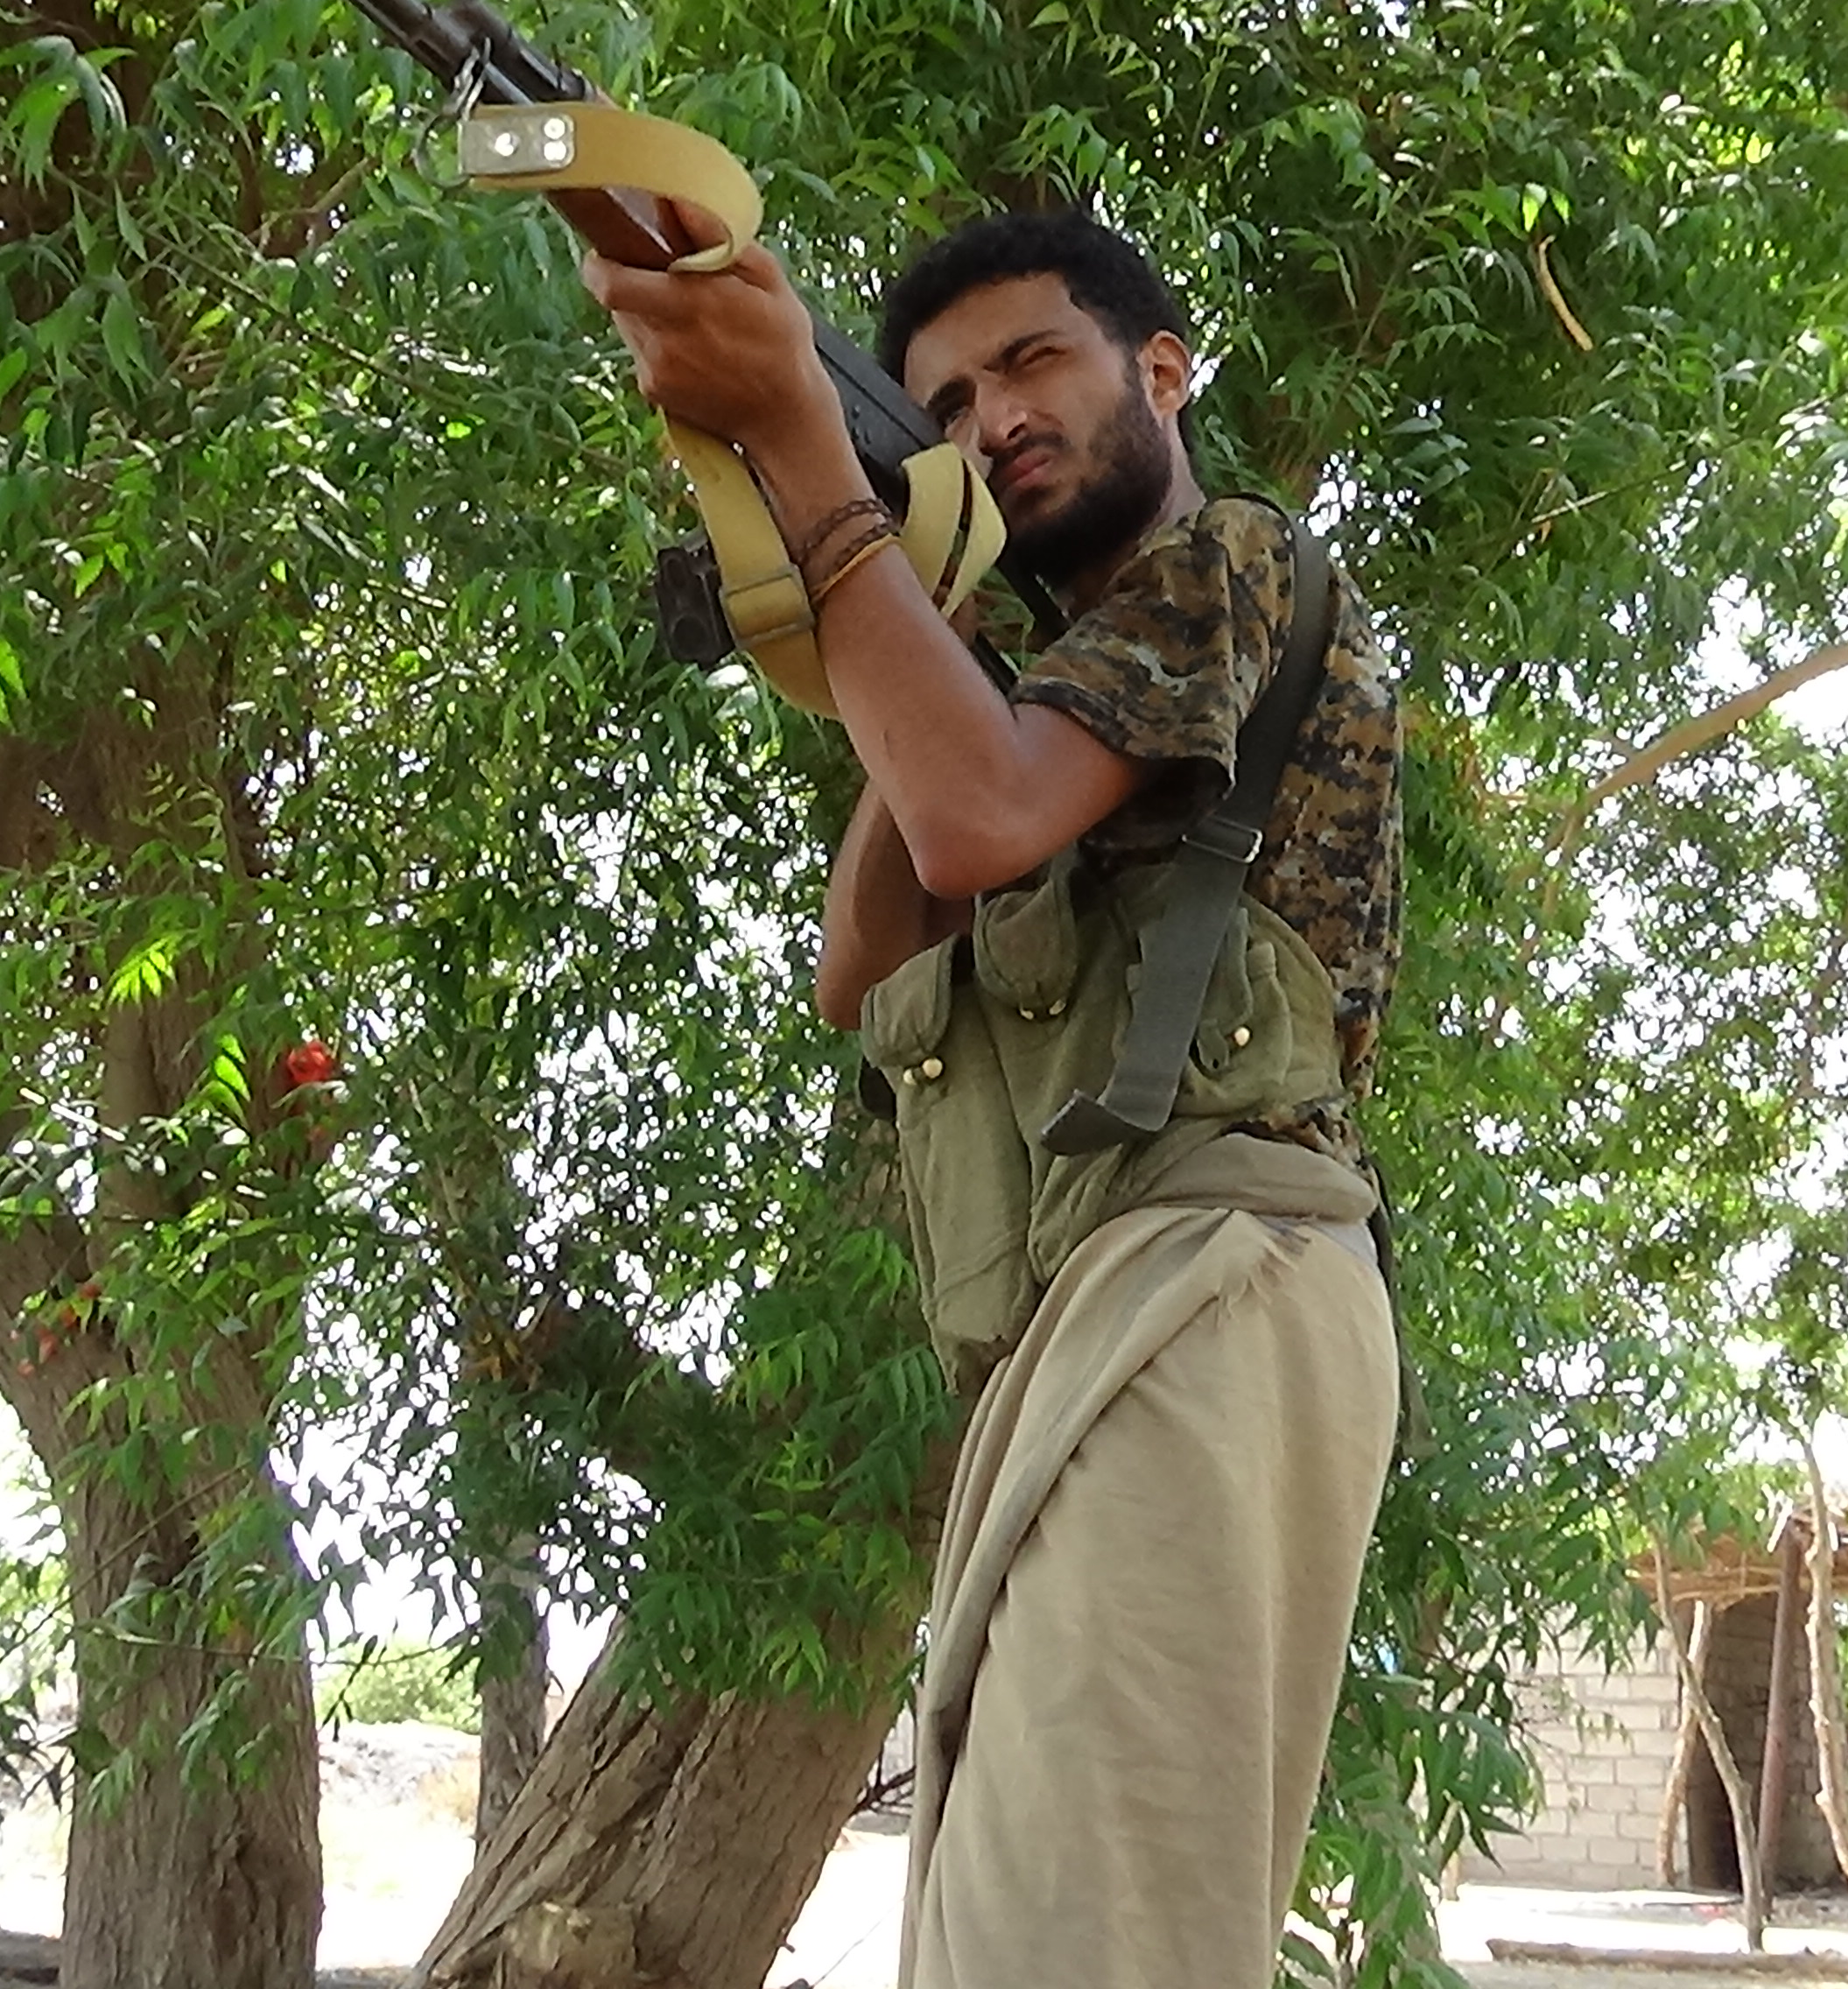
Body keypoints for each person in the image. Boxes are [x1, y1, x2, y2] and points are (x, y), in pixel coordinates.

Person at [582, 209, 1402, 1989]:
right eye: (944, 404)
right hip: (1112, 1306)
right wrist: (917, 611)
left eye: (1032, 363)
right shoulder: (1052, 700)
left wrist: (808, 454)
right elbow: (867, 964)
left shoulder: (1232, 556)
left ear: (1161, 373)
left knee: (1074, 1941)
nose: (991, 418)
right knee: (1009, 1931)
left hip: (1208, 1275)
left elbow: (974, 820)